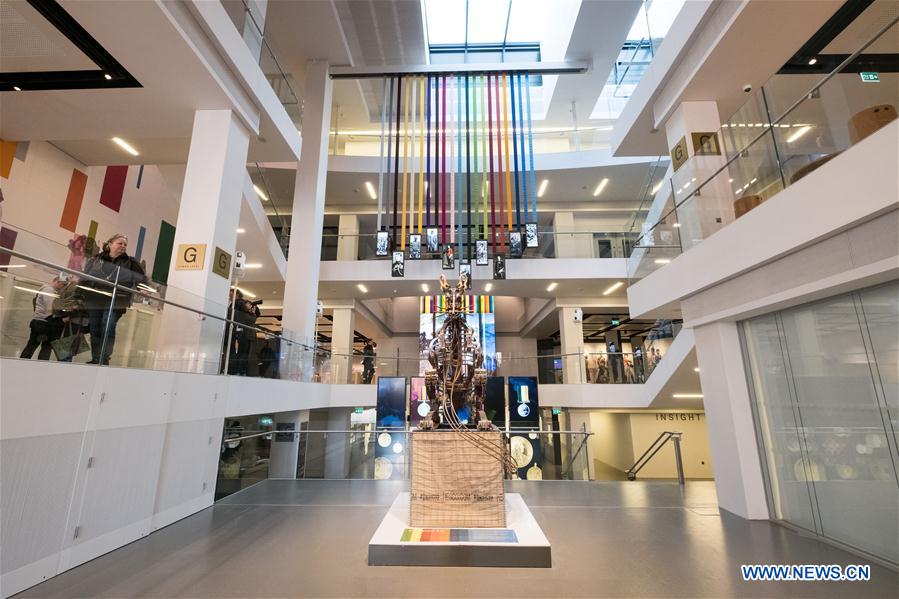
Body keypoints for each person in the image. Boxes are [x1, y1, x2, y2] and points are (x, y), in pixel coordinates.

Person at [81, 234, 146, 365]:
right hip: (95, 299)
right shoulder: (96, 259)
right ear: (110, 244)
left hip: (116, 300)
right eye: (120, 243)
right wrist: (79, 295)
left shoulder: (131, 262)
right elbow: (84, 277)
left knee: (108, 325)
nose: (123, 246)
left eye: (125, 244)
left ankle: (104, 357)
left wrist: (143, 288)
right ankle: (96, 358)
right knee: (95, 328)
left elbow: (141, 279)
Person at [20, 277, 65, 360]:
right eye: (63, 284)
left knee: (33, 346)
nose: (63, 287)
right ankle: (25, 363)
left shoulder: (46, 290)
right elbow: (51, 308)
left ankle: (22, 363)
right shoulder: (49, 290)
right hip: (44, 322)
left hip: (41, 322)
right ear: (58, 282)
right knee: (44, 348)